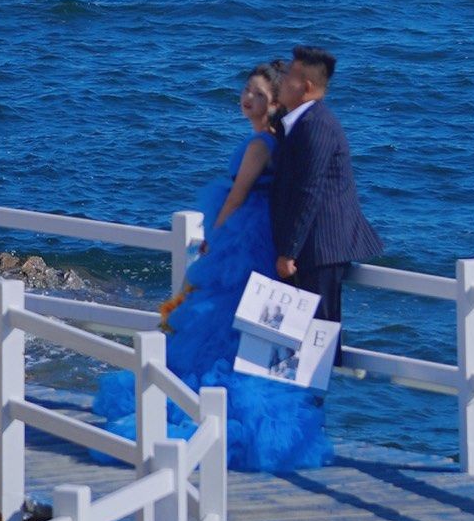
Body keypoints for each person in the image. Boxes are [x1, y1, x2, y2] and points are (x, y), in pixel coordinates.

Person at [95, 61, 333, 473]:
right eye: (246, 90)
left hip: (244, 236)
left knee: (218, 321)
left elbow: (236, 197)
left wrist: (216, 239)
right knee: (248, 333)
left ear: (275, 103)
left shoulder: (260, 145)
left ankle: (204, 410)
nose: (248, 99)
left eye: (258, 94)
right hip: (265, 235)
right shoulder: (281, 143)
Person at [268, 45, 382, 329]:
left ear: (305, 86)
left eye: (289, 77)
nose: (281, 82)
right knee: (301, 336)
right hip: (311, 249)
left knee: (318, 336)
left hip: (319, 249)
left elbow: (309, 190)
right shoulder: (299, 122)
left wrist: (289, 251)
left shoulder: (316, 124)